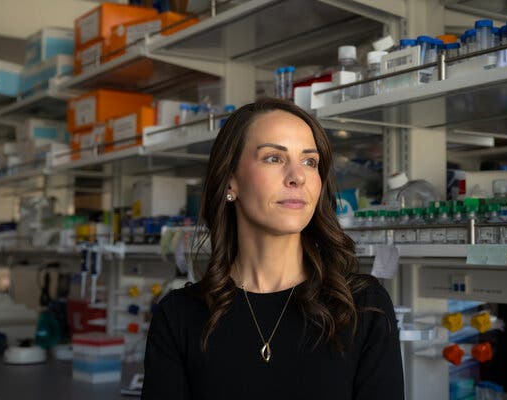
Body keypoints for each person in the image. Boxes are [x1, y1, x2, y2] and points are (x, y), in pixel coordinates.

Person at [141, 98, 404, 399]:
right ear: (230, 182)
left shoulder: (362, 307)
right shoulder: (179, 317)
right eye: (273, 158)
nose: (298, 176)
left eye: (310, 161)